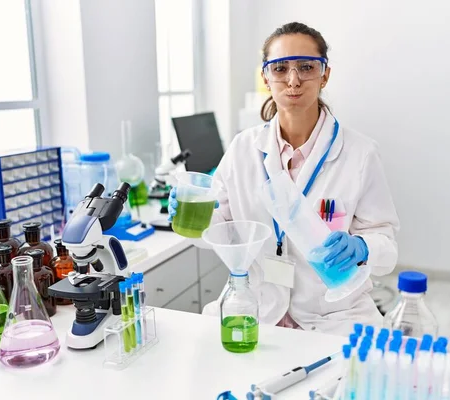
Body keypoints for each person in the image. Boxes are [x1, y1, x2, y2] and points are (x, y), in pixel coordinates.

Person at [169, 22, 400, 335]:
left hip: (334, 315)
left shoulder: (360, 153)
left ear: (325, 74)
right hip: (256, 309)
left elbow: (385, 245)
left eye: (306, 67)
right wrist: (193, 217)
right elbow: (222, 231)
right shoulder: (243, 149)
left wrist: (361, 246)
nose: (293, 80)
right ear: (266, 77)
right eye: (280, 68)